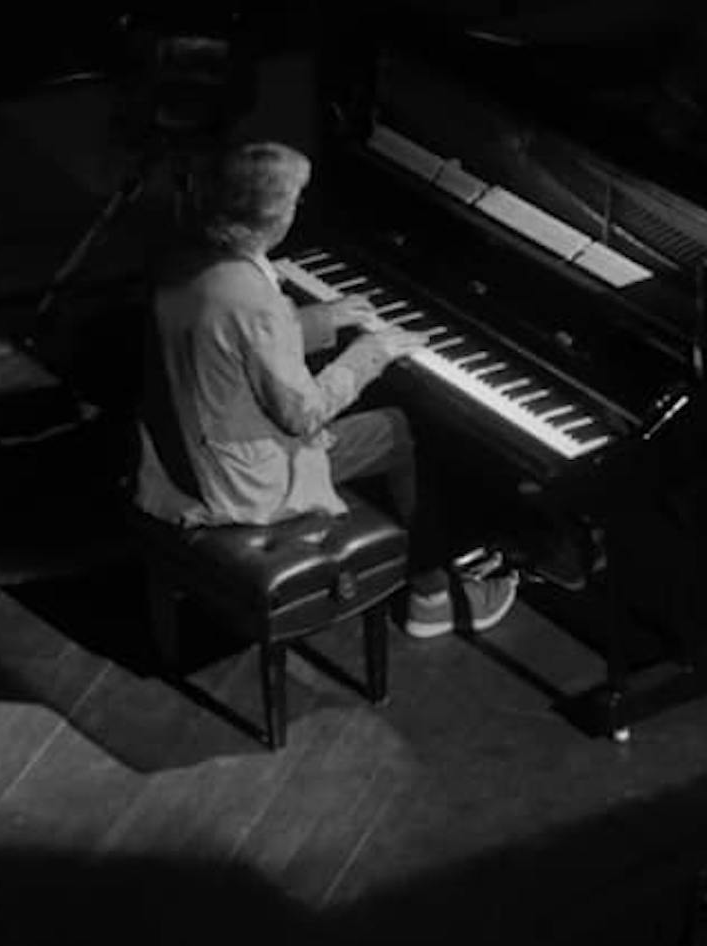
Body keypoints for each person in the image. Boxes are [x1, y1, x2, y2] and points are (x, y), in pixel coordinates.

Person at [135, 140, 517, 638]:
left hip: (179, 459)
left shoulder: (189, 261)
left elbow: (230, 339)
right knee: (401, 428)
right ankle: (431, 596)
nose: (298, 210)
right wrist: (370, 354)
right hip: (243, 486)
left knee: (378, 404)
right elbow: (304, 414)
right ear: (272, 219)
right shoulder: (255, 301)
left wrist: (324, 320)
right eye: (294, 201)